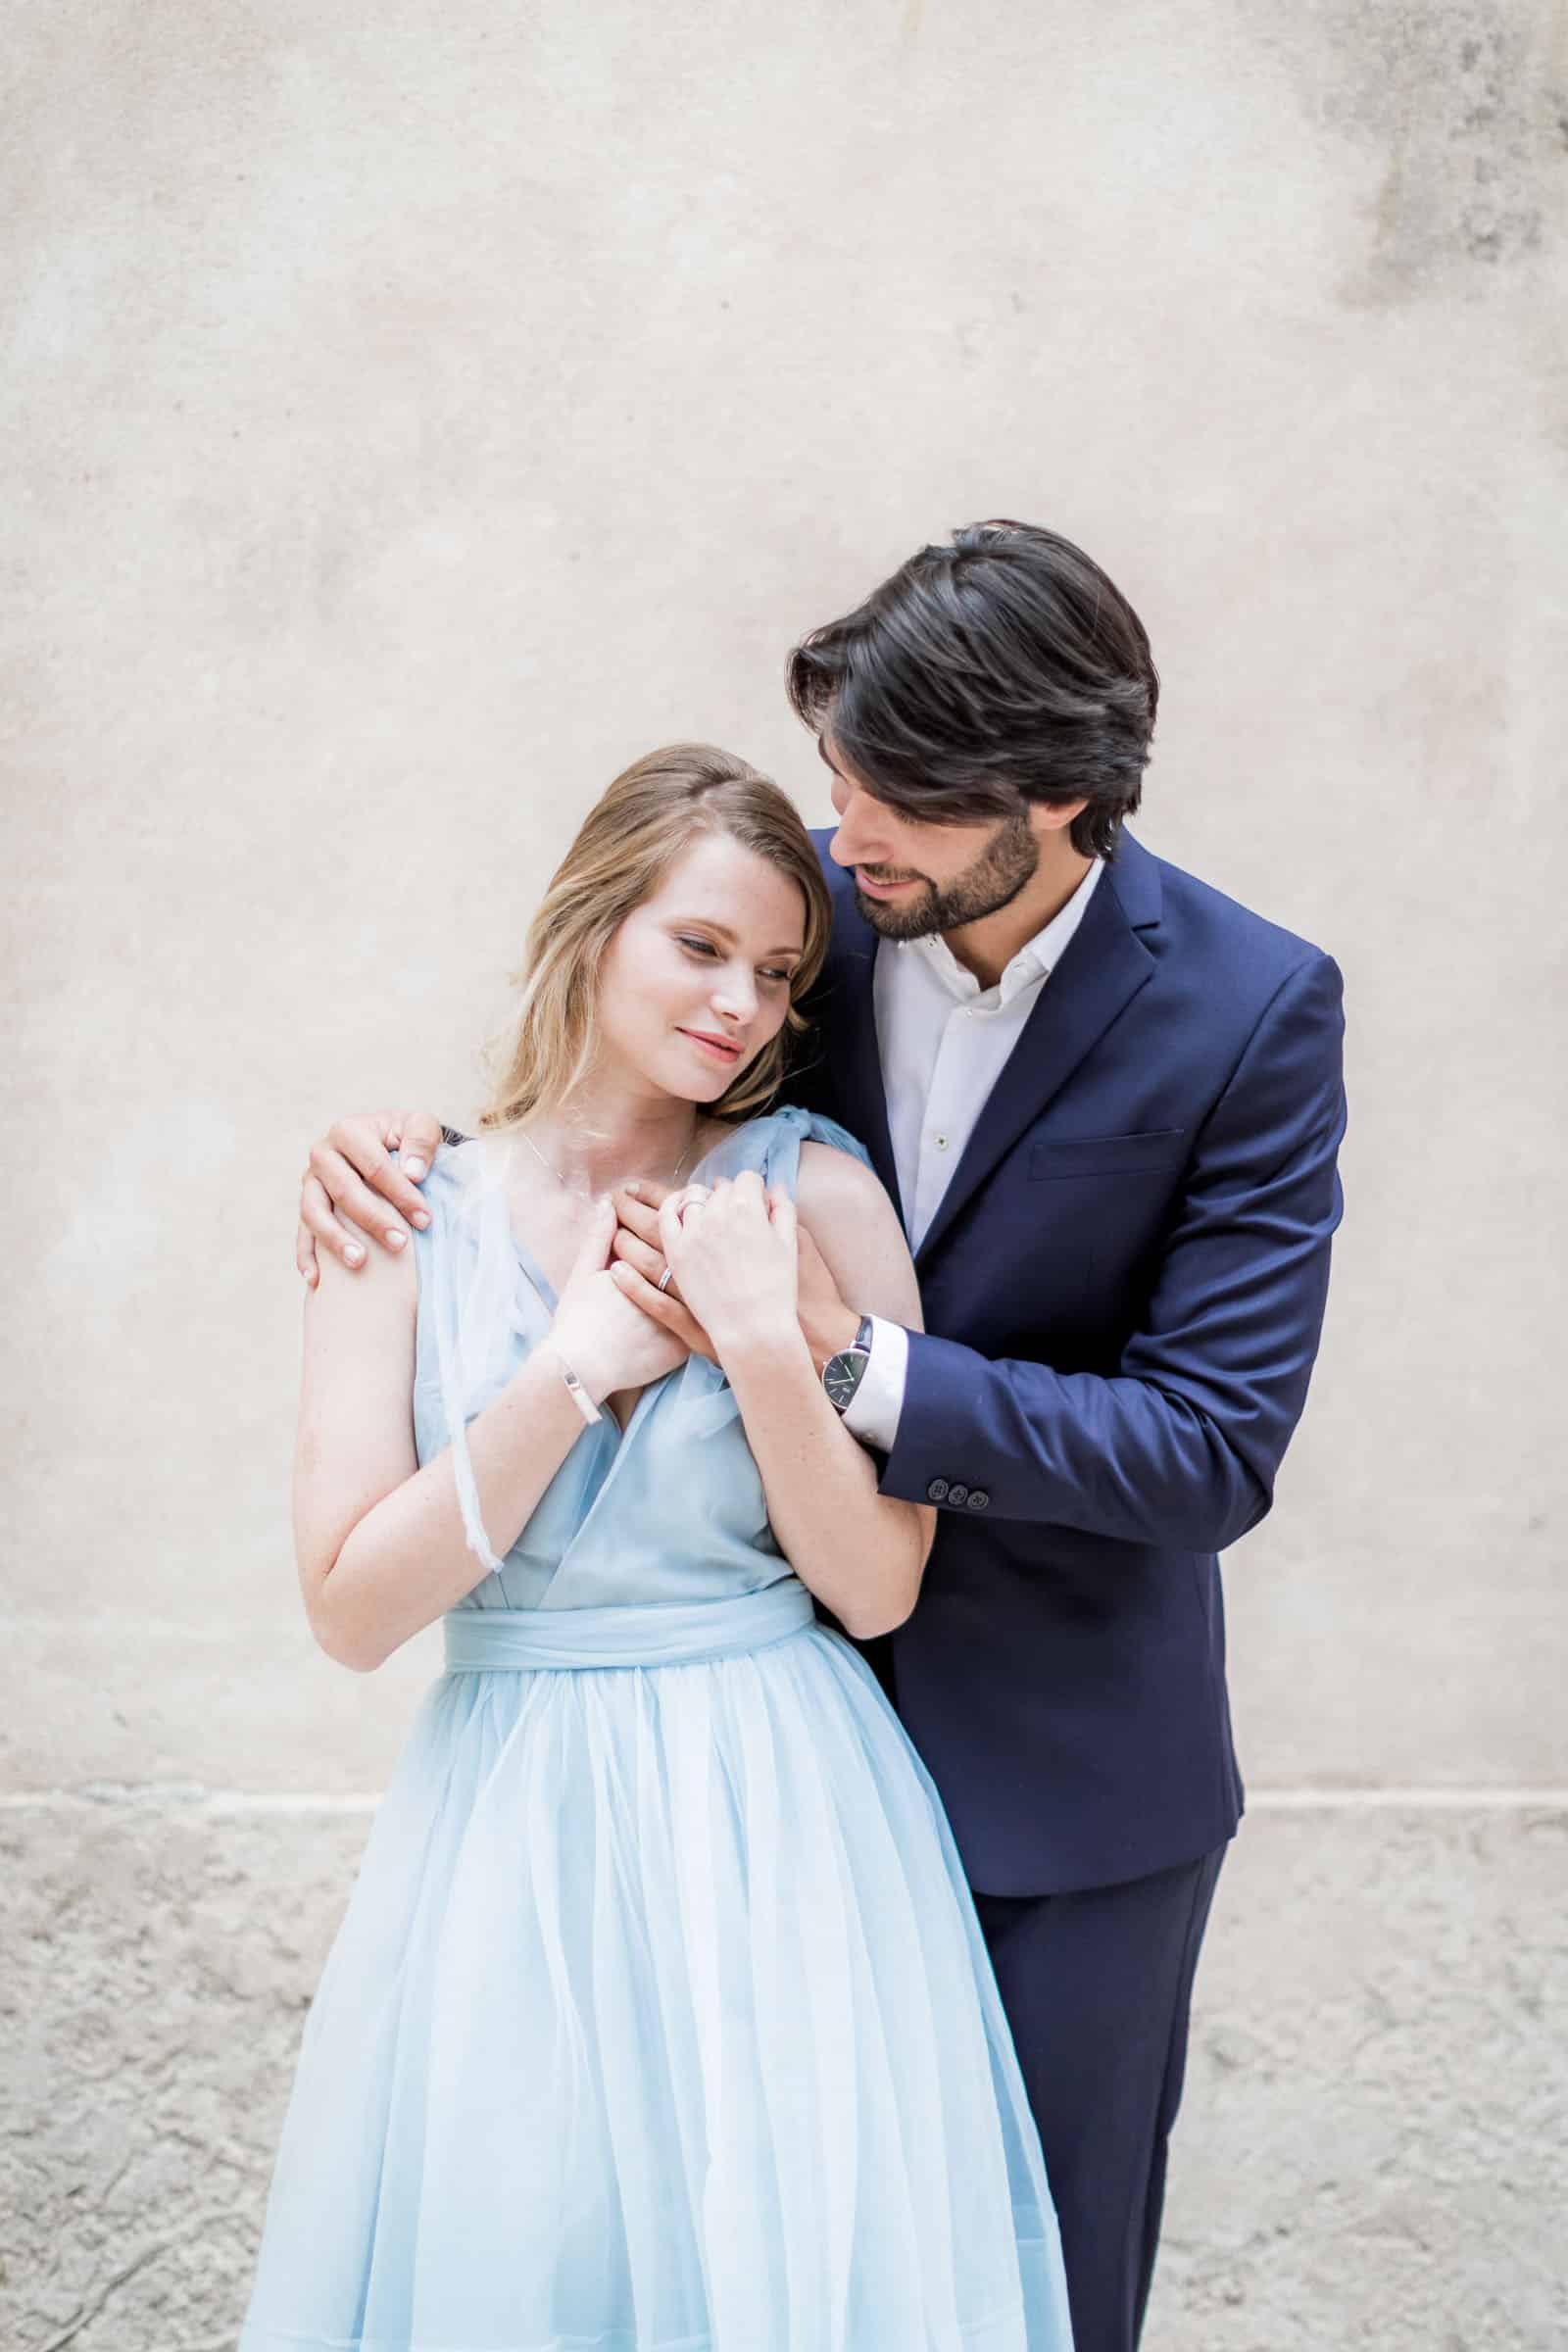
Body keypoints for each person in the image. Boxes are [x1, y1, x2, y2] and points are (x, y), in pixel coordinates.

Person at [299, 522, 1348, 2352]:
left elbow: (1209, 1448)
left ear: (1062, 798)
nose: (843, 834)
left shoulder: (1251, 1009)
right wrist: (385, 1157)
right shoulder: (815, 942)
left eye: (896, 800)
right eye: (842, 778)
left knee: (1023, 2303)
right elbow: (613, 1061)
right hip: (714, 1783)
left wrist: (837, 1358)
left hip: (1060, 1775)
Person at [246, 743, 1075, 2352]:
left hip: (777, 1803)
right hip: (510, 1816)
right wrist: (575, 1369)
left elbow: (878, 1582)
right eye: (698, 948)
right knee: (528, 2264)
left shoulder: (813, 1191)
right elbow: (352, 1612)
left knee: (773, 2270)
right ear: (593, 922)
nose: (739, 1008)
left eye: (777, 974)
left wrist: (762, 1342)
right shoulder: (402, 1212)